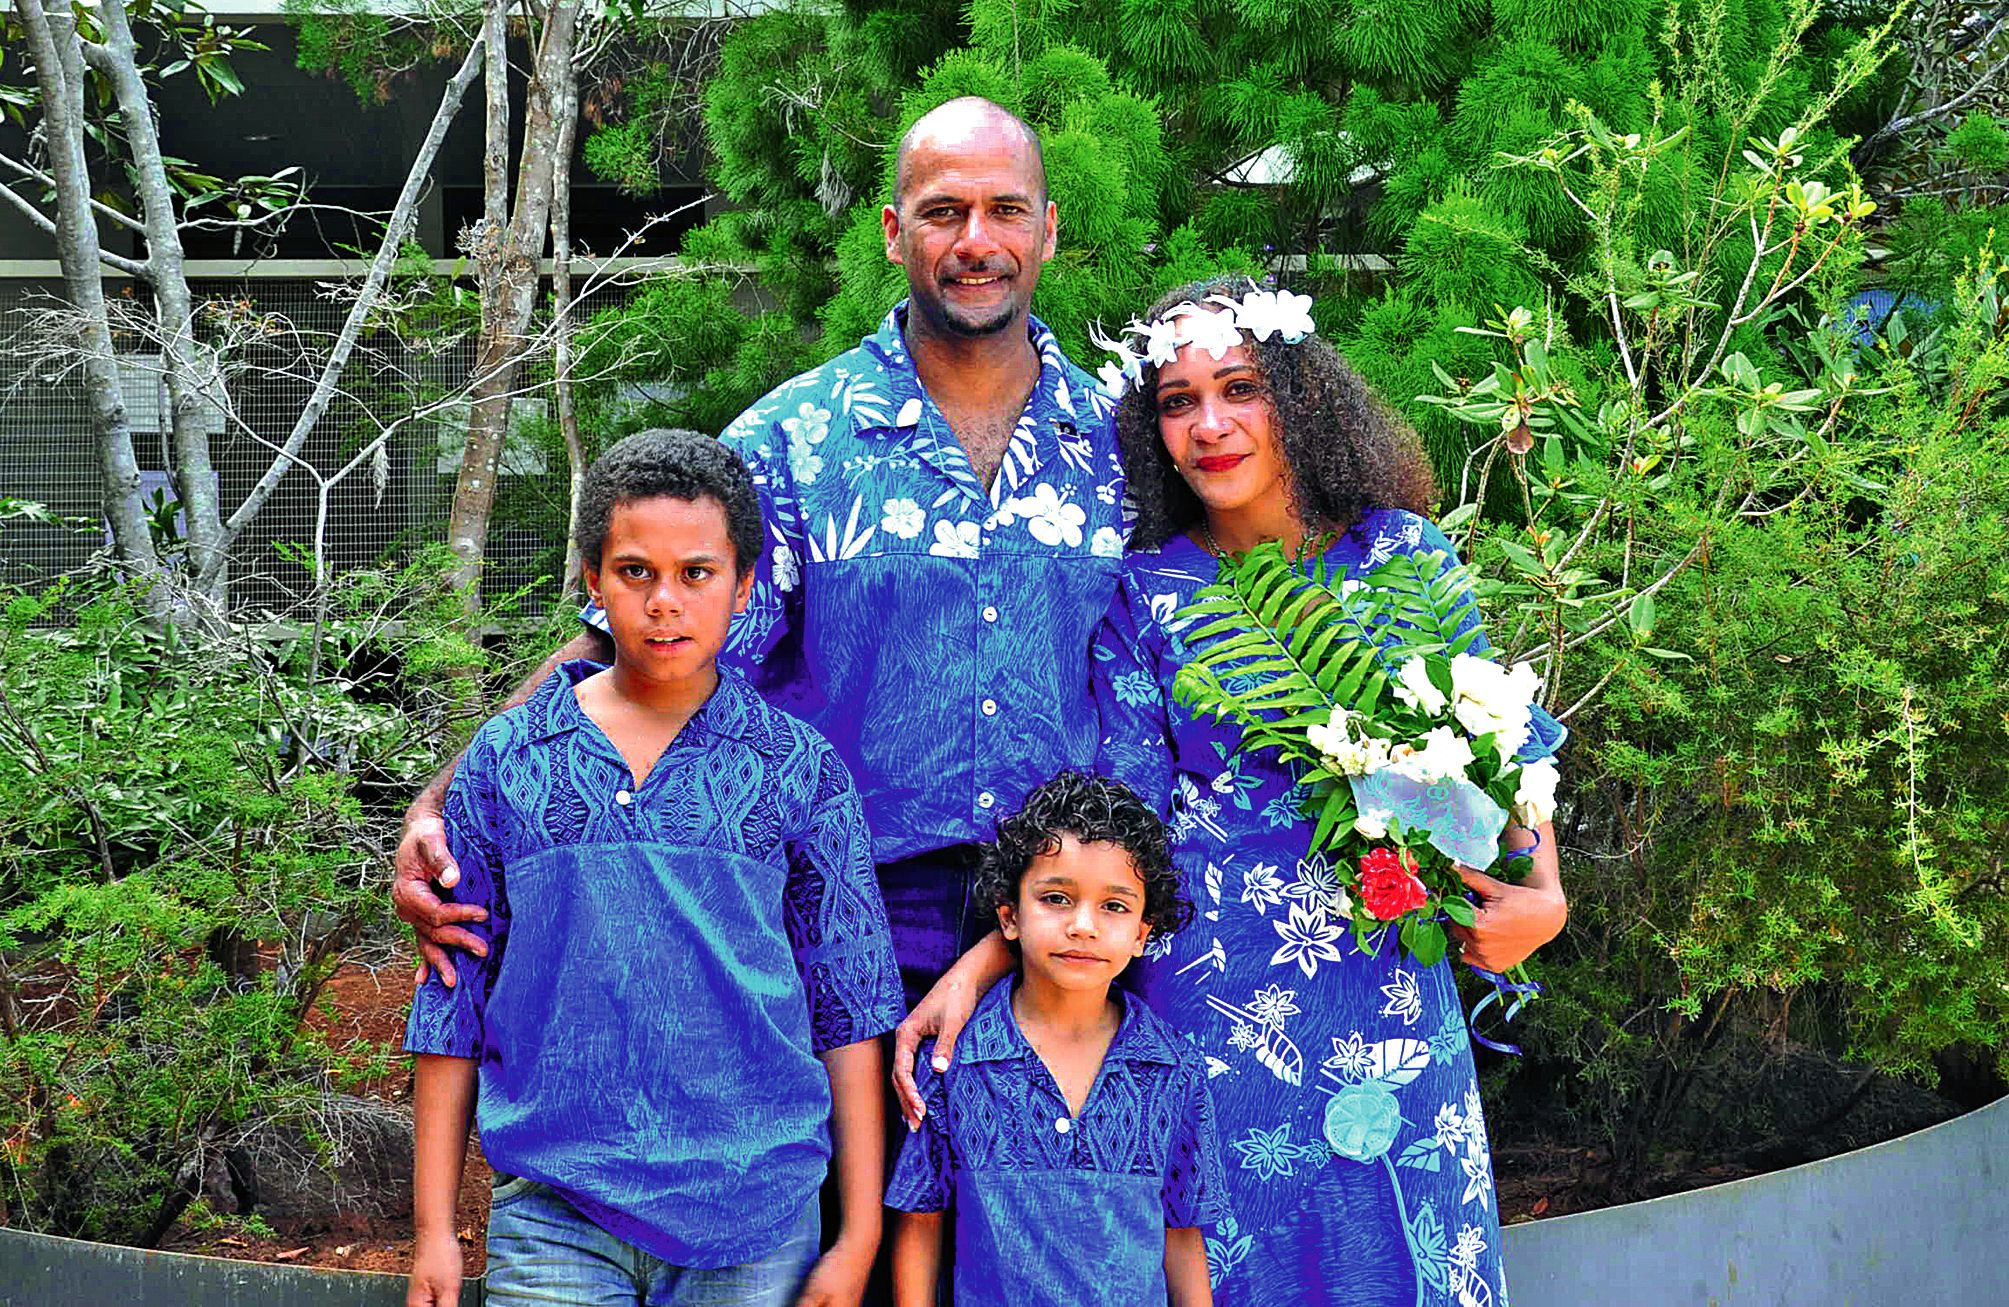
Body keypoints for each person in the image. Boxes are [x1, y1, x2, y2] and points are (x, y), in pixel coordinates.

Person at [896, 279, 1568, 1306]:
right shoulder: (1144, 592)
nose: (1207, 425)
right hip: (1216, 1010)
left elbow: (1499, 739)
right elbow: (1116, 825)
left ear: (1295, 395)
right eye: (1175, 400)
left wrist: (1544, 893)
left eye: (1238, 388)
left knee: (1405, 1258)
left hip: (1389, 985)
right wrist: (988, 958)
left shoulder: (1404, 553)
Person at [393, 96, 1126, 1017]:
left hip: (1071, 921)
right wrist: (440, 804)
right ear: (895, 235)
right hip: (838, 901)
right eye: (943, 212)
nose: (975, 239)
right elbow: (632, 655)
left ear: (1048, 230)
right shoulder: (794, 440)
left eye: (1005, 210)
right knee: (849, 1164)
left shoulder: (1118, 444)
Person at [402, 430, 903, 1307]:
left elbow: (849, 1006)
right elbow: (452, 998)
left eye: (696, 573)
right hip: (558, 1210)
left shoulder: (797, 768)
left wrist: (857, 1233)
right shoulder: (511, 757)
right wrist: (436, 1231)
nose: (663, 601)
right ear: (592, 580)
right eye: (635, 571)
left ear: (744, 586)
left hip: (755, 1216)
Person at [887, 771, 1225, 1307]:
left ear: (1141, 934)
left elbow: (1182, 1234)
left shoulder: (1173, 1069)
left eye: (1114, 906)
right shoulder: (956, 1064)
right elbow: (921, 1221)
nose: (1083, 926)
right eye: (1057, 898)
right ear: (1010, 917)